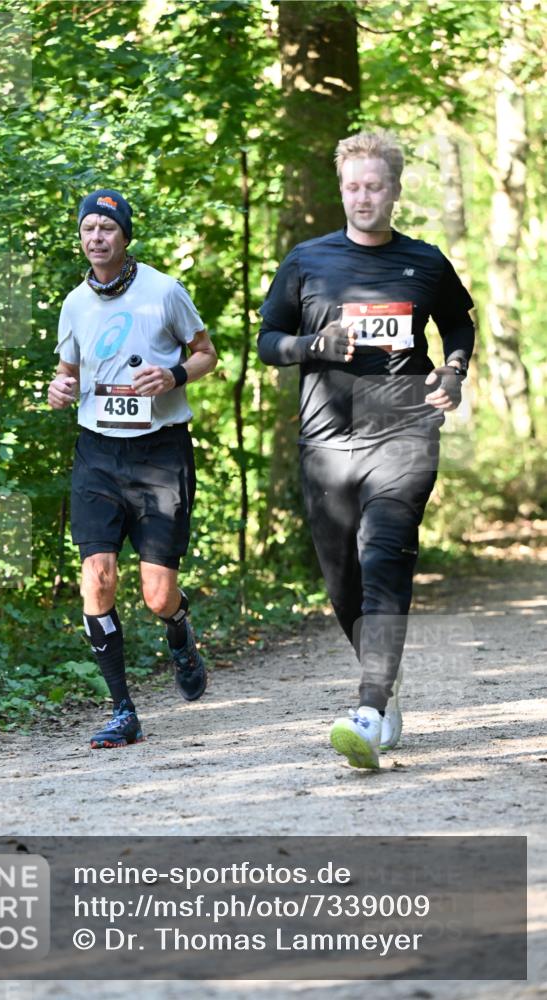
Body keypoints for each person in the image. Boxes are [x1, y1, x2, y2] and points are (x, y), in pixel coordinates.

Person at [258, 131, 474, 770]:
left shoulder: (426, 262)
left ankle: (370, 705)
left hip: (403, 430)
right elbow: (269, 339)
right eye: (352, 186)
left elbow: (458, 321)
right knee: (343, 582)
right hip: (327, 438)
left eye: (374, 186)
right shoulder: (307, 261)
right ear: (342, 190)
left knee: (384, 554)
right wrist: (310, 347)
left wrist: (454, 371)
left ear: (395, 191)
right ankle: (384, 680)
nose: (362, 197)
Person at [48, 189, 217, 748]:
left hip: (159, 451)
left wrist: (174, 376)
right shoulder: (73, 303)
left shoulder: (164, 292)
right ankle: (123, 709)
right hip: (98, 452)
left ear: (125, 236)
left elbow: (206, 353)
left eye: (107, 228)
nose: (97, 237)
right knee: (97, 576)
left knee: (156, 595)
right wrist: (60, 389)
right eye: (88, 228)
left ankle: (179, 629)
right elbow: (67, 373)